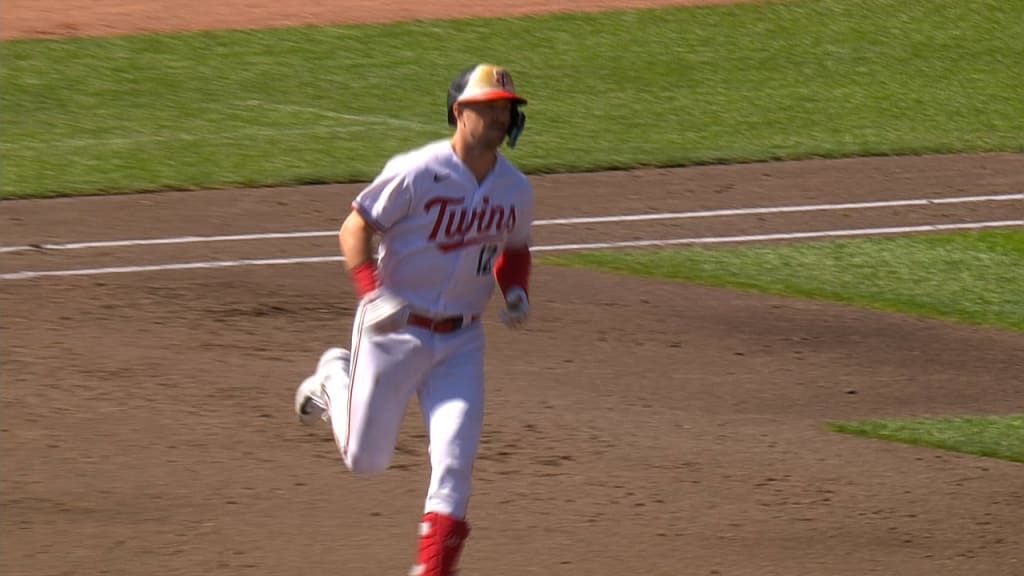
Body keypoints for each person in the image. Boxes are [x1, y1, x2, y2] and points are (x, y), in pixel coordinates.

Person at [293, 63, 534, 576]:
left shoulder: (514, 188)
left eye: (506, 108)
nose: (500, 116)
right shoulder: (416, 170)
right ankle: (334, 378)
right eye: (489, 106)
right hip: (392, 330)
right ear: (458, 112)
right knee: (365, 461)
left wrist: (515, 291)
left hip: (462, 341)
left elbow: (514, 249)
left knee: (454, 463)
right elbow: (354, 228)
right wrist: (371, 295)